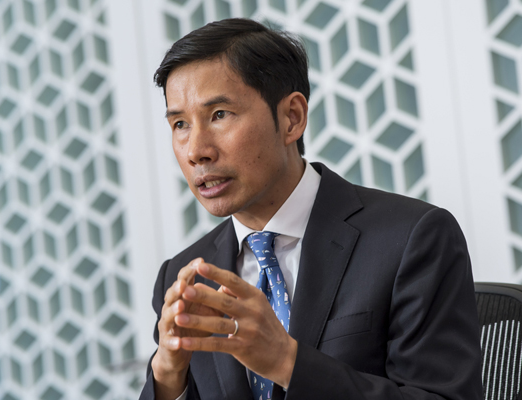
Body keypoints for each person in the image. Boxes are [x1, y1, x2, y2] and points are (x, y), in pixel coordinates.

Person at [139, 18, 482, 400]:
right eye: (180, 124)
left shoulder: (413, 239)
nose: (195, 151)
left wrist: (287, 361)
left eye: (219, 114)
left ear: (292, 118)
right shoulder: (183, 277)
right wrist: (167, 375)